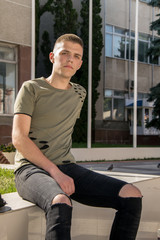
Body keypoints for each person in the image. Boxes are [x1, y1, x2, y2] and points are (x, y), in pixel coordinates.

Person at [12, 33, 142, 240]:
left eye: (76, 56)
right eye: (64, 53)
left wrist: (62, 171)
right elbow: (18, 138)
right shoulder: (32, 88)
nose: (70, 59)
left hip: (67, 167)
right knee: (61, 201)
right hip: (30, 169)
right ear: (52, 56)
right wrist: (55, 172)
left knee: (131, 195)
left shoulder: (79, 93)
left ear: (80, 63)